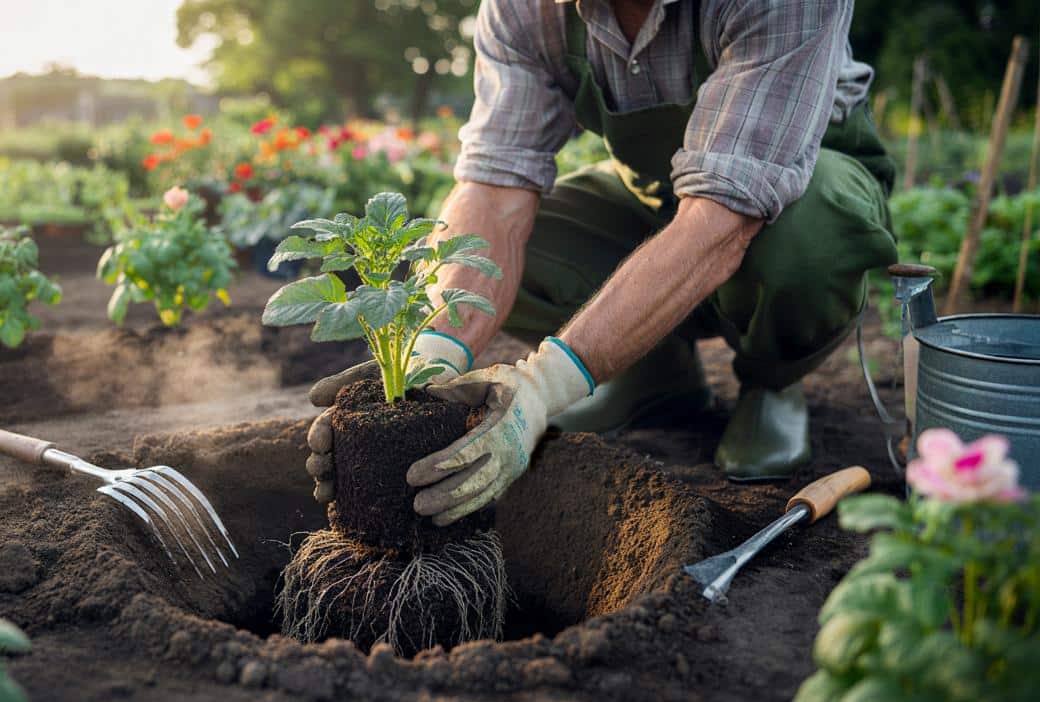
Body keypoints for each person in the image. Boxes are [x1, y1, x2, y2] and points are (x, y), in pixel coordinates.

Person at [306, 0, 897, 525]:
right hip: (657, 198)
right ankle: (653, 371)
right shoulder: (529, 9)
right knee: (510, 243)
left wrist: (544, 385)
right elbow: (493, 190)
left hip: (788, 193)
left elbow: (724, 219)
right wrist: (433, 353)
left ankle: (772, 381)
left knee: (807, 240)